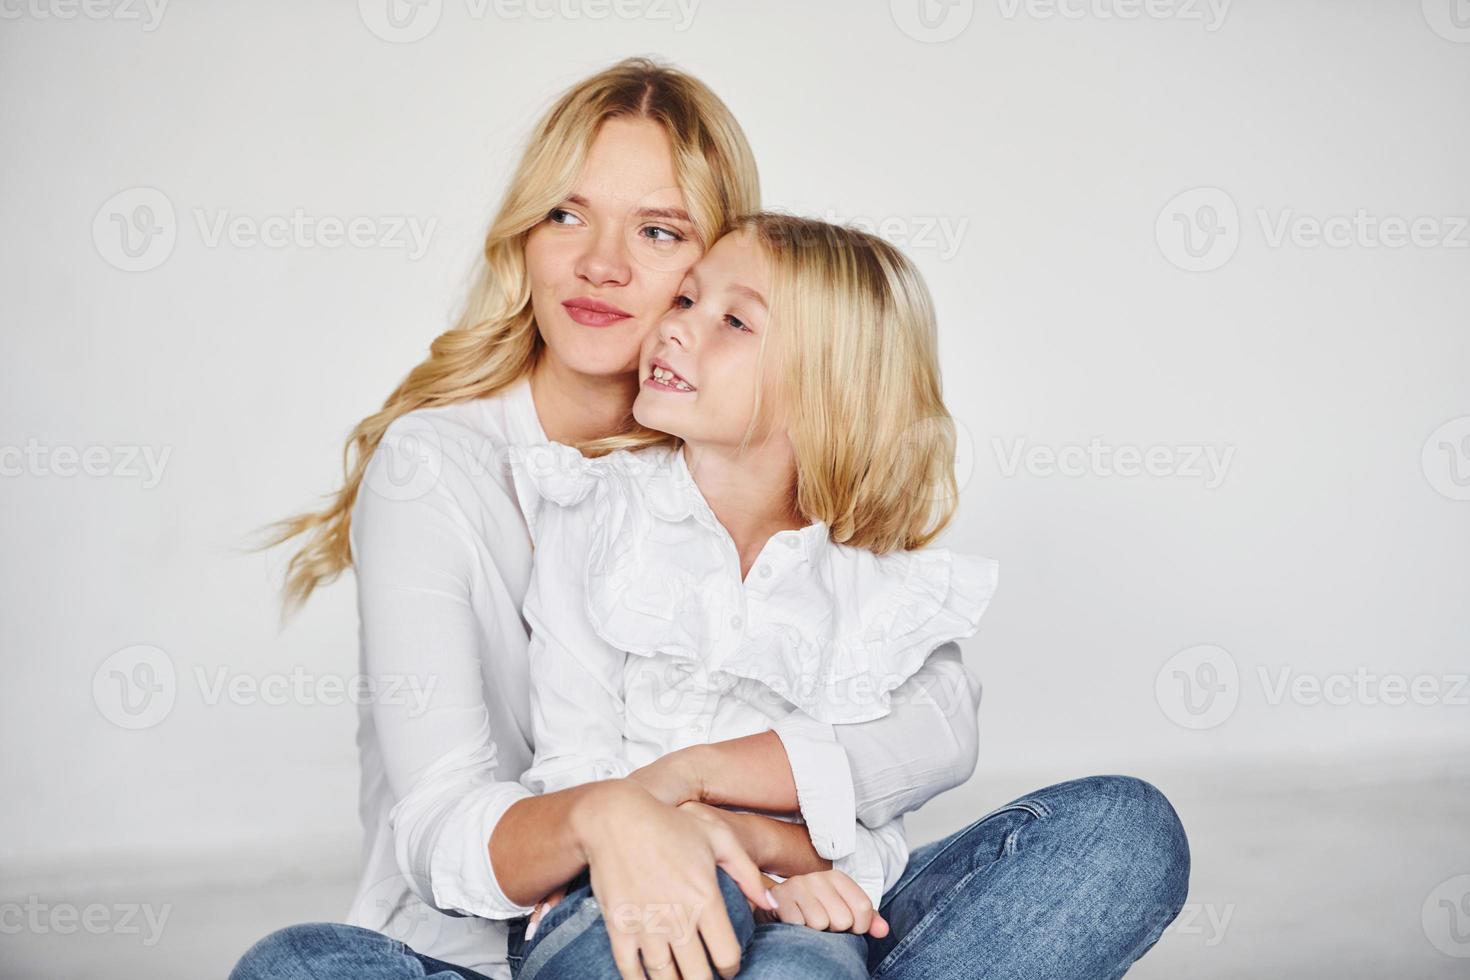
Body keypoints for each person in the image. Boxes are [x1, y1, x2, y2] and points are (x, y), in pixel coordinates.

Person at [230, 58, 1189, 980]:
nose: (599, 264)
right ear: (524, 234)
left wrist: (718, 806)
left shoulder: (764, 457)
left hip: (795, 905)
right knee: (297, 969)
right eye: (566, 214)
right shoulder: (446, 471)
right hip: (518, 938)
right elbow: (445, 816)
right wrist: (623, 819)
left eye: (657, 232)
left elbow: (932, 720)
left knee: (1120, 833)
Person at [502, 213, 1000, 979]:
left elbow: (904, 771)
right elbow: (576, 762)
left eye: (733, 321)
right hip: (613, 892)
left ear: (827, 387)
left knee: (806, 968)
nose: (675, 330)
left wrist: (769, 853)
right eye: (685, 301)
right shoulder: (596, 516)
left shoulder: (872, 586)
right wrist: (702, 838)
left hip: (797, 903)